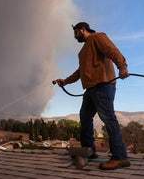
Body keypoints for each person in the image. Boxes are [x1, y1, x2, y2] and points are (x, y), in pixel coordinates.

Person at [54, 22, 130, 170]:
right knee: (85, 116)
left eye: (76, 33)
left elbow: (112, 50)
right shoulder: (83, 52)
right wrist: (65, 82)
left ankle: (120, 157)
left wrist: (122, 66)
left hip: (103, 85)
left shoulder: (97, 37)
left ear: (82, 30)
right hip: (90, 89)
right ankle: (89, 151)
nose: (75, 36)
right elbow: (80, 72)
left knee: (108, 119)